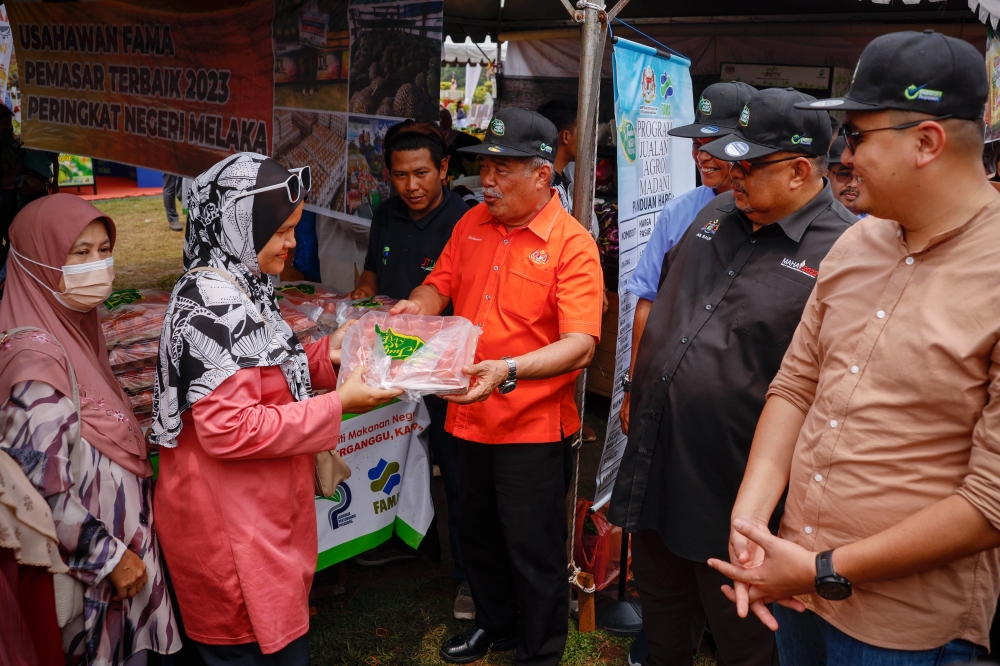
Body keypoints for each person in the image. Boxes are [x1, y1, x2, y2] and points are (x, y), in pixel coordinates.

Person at [709, 30, 1000, 665]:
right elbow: (795, 387)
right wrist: (752, 521)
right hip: (795, 596)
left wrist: (820, 568)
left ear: (927, 142)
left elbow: (990, 502)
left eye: (859, 135)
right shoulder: (857, 243)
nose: (844, 154)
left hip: (905, 631)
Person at [608, 87, 855, 666]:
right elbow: (671, 313)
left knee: (746, 644)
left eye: (747, 164)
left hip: (742, 498)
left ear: (799, 170)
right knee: (663, 629)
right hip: (659, 471)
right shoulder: (714, 213)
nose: (731, 174)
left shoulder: (846, 248)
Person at [150, 153, 400, 664]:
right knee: (252, 643)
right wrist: (338, 405)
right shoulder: (210, 304)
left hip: (257, 513)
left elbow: (262, 369)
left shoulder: (244, 285)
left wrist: (327, 355)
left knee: (279, 636)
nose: (292, 242)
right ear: (241, 223)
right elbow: (230, 430)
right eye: (283, 230)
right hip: (229, 527)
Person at [392, 107, 603, 666]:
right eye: (484, 167)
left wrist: (508, 371)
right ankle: (494, 623)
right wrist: (414, 308)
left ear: (542, 175)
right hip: (467, 413)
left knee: (532, 549)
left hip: (531, 424)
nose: (486, 181)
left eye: (503, 169)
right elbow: (440, 284)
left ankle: (539, 651)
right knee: (477, 532)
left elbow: (580, 342)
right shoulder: (471, 225)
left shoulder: (571, 244)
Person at [0, 193, 181, 665]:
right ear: (36, 261)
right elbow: (43, 490)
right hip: (95, 578)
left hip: (123, 564)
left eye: (104, 250)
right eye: (78, 254)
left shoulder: (76, 330)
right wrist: (109, 557)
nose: (97, 265)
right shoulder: (36, 364)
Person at [344, 121, 476, 620]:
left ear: (444, 168)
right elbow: (373, 275)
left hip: (442, 371)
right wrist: (361, 296)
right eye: (401, 176)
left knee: (456, 473)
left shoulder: (466, 221)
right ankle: (414, 542)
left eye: (422, 173)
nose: (412, 186)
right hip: (390, 363)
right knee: (391, 454)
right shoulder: (385, 214)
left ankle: (466, 578)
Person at [620, 80, 756, 436]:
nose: (703, 156)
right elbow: (648, 301)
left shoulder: (771, 216)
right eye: (697, 145)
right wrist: (634, 385)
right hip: (672, 387)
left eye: (715, 145)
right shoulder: (679, 211)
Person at [826, 136, 865, 217]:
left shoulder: (886, 222)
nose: (853, 184)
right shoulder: (812, 218)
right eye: (844, 175)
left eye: (861, 177)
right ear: (827, 175)